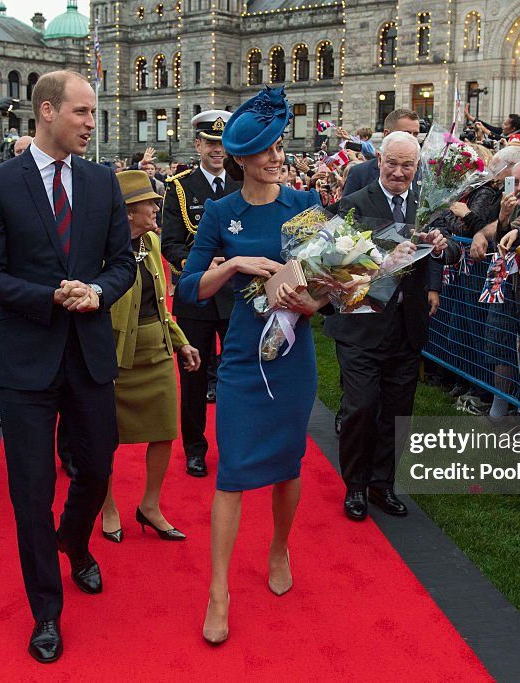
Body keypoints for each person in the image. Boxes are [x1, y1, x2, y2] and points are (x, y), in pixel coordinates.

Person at [0, 70, 135, 663]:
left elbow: (123, 264)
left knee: (97, 465)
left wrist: (98, 291)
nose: (92, 122)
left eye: (94, 112)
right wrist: (48, 297)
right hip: (26, 363)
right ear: (45, 111)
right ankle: (46, 610)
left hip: (88, 356)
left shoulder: (102, 182)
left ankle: (75, 542)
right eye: (83, 112)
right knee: (30, 492)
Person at [177, 87, 325, 645]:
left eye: (279, 145)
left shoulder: (304, 206)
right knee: (233, 471)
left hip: (292, 358)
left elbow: (333, 285)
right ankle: (218, 591)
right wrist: (234, 263)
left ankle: (280, 548)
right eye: (263, 149)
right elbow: (190, 288)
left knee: (288, 465)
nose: (275, 155)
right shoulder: (220, 213)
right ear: (240, 157)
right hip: (240, 360)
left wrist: (313, 300)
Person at [323, 131, 452, 520]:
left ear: (417, 166)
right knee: (361, 407)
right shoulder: (354, 203)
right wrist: (384, 258)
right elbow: (335, 263)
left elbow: (447, 251)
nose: (399, 172)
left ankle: (383, 484)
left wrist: (444, 245)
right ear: (379, 160)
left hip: (406, 326)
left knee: (398, 412)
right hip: (361, 326)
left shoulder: (425, 204)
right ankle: (356, 487)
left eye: (407, 165)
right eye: (392, 163)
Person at [101, 170, 200, 543]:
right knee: (105, 438)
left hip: (156, 351)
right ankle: (108, 505)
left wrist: (181, 342)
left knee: (163, 431)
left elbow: (160, 305)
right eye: (149, 202)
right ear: (127, 211)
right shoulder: (103, 252)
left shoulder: (153, 243)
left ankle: (150, 506)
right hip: (115, 357)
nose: (157, 207)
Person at [160, 110, 240, 477]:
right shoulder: (180, 187)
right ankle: (195, 447)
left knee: (237, 374)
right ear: (198, 145)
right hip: (198, 293)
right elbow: (170, 243)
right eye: (210, 143)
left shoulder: (242, 183)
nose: (217, 150)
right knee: (193, 375)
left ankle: (235, 444)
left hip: (237, 293)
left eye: (222, 143)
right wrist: (200, 266)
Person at [342, 109, 421, 196]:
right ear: (387, 134)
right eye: (406, 134)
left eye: (415, 134)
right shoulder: (360, 174)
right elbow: (348, 208)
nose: (412, 139)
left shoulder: (424, 175)